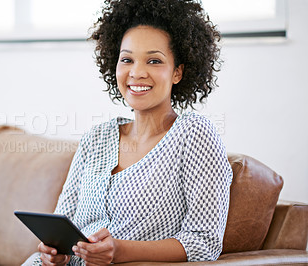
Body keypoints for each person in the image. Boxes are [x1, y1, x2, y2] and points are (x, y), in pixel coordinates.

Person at [23, 0, 232, 265]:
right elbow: (62, 224)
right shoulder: (96, 138)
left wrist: (119, 251)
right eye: (127, 60)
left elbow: (204, 243)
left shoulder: (193, 134)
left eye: (154, 60)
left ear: (177, 72)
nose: (137, 72)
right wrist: (55, 255)